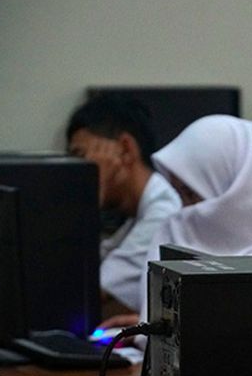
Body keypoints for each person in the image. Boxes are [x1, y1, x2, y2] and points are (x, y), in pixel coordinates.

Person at [102, 115, 252, 326]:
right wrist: (153, 331)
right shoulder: (175, 231)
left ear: (240, 193)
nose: (184, 211)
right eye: (179, 194)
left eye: (191, 194)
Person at [66, 94, 182, 313]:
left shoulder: (165, 211)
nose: (75, 170)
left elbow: (88, 297)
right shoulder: (136, 215)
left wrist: (88, 200)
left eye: (80, 155)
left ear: (125, 148)